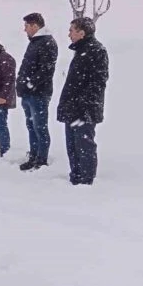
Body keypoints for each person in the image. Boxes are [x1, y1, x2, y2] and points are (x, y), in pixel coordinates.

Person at [56, 17, 109, 186]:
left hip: (84, 110)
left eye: (72, 30)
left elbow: (97, 83)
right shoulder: (81, 51)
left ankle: (85, 180)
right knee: (72, 145)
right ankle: (76, 176)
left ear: (82, 32)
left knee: (84, 145)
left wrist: (82, 105)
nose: (69, 34)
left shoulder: (96, 50)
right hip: (73, 108)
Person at [16, 13, 58, 171]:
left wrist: (29, 84)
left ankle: (41, 159)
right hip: (28, 94)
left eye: (26, 26)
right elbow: (26, 66)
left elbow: (46, 70)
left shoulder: (47, 42)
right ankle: (33, 155)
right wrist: (20, 84)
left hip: (39, 93)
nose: (24, 29)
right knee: (31, 126)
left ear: (34, 25)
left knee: (40, 126)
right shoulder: (34, 42)